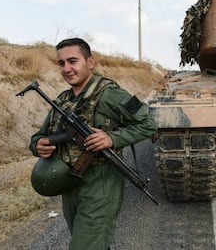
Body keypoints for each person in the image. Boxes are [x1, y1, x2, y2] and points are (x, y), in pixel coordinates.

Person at [28, 37, 157, 249]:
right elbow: (39, 136)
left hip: (101, 181)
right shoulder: (63, 100)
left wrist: (111, 138)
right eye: (62, 63)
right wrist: (38, 145)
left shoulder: (110, 94)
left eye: (73, 61)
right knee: (91, 242)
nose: (67, 68)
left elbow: (148, 124)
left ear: (90, 62)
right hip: (70, 181)